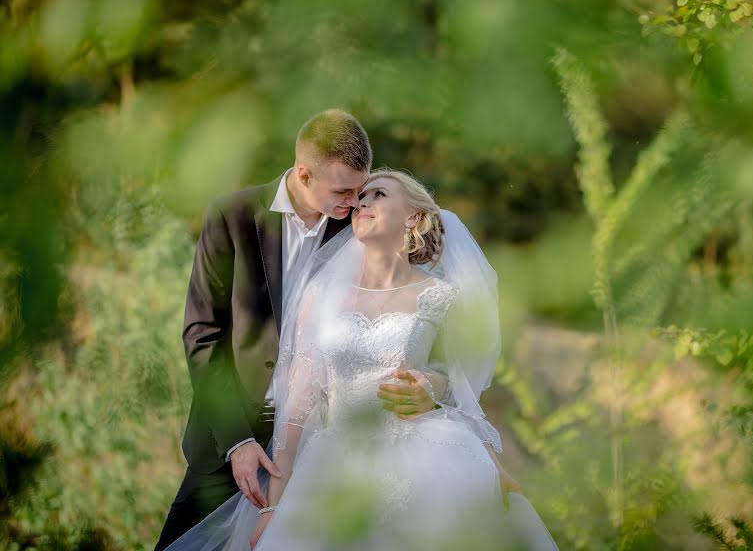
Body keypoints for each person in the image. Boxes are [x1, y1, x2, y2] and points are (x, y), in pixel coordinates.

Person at [164, 169, 558, 550]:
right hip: (332, 458)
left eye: (378, 195)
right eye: (361, 198)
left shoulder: (440, 297)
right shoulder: (322, 296)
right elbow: (299, 402)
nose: (361, 204)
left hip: (426, 459)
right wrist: (274, 504)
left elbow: (457, 387)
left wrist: (444, 401)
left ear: (414, 216)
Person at [155, 111, 448, 550]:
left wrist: (432, 383)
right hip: (232, 430)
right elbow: (203, 336)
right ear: (304, 173)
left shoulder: (360, 227)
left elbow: (426, 334)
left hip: (319, 442)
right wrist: (238, 442)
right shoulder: (231, 216)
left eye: (362, 188)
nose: (355, 201)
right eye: (343, 191)